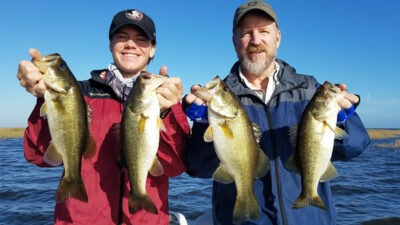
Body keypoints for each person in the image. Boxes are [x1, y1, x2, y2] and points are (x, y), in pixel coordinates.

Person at [184, 0, 370, 224]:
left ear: (278, 38)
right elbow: (199, 168)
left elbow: (354, 148)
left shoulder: (309, 89)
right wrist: (204, 123)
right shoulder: (218, 99)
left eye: (264, 31)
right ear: (235, 41)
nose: (256, 40)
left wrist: (345, 119)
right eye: (246, 33)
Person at [17, 9, 189, 225]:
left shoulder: (164, 98)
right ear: (110, 44)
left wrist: (165, 112)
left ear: (153, 49)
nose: (131, 44)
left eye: (141, 39)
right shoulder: (78, 93)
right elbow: (37, 155)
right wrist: (44, 98)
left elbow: (175, 167)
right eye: (122, 37)